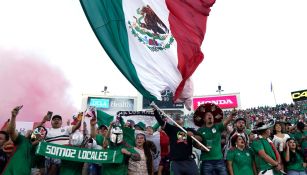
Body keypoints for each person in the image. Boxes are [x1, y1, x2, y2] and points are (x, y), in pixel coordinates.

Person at [2, 106, 48, 175]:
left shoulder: (40, 152)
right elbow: (11, 131)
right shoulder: (22, 140)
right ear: (32, 133)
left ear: (43, 138)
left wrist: (39, 172)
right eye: (37, 131)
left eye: (42, 133)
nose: (38, 134)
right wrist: (13, 116)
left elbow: (42, 169)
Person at [153, 107, 199, 175]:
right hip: (176, 162)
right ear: (173, 121)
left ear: (183, 120)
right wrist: (155, 111)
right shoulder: (171, 129)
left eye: (179, 117)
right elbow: (160, 121)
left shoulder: (189, 130)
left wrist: (193, 136)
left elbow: (200, 139)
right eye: (176, 118)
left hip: (188, 161)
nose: (177, 119)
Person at [193, 103, 236, 175]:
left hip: (219, 160)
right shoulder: (200, 130)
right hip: (206, 161)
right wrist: (201, 147)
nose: (210, 116)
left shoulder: (218, 127)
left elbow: (227, 120)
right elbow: (195, 142)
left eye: (211, 115)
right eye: (207, 115)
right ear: (204, 119)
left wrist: (232, 115)